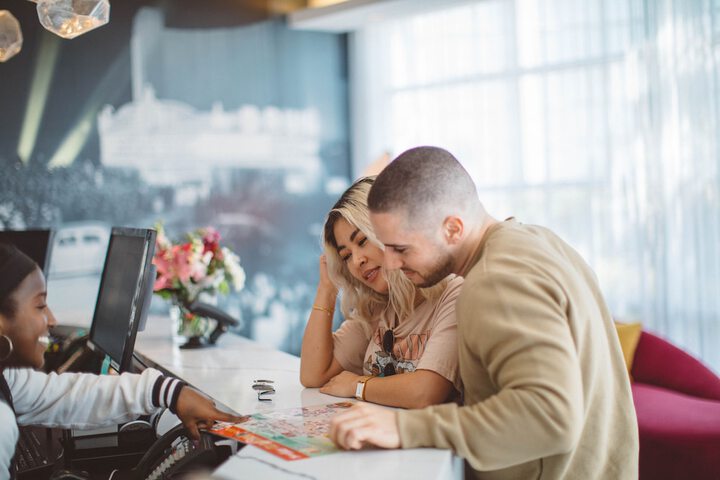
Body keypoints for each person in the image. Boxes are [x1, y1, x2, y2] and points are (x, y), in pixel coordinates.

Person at [329, 147, 639, 479]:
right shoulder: (540, 241)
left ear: (452, 228)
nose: (390, 263)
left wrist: (404, 427)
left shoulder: (492, 283)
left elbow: (551, 417)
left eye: (401, 249)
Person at [0, 243, 242, 479]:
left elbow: (62, 394)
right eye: (40, 305)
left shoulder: (6, 379)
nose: (51, 319)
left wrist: (172, 393)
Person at [300, 176, 463, 409]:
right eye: (346, 256)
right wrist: (327, 288)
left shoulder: (453, 292)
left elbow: (425, 393)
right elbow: (312, 375)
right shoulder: (377, 305)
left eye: (362, 241)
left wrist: (358, 385)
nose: (357, 261)